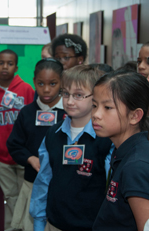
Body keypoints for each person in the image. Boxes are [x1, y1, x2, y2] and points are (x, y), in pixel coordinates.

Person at [30, 65, 113, 231]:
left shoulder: (106, 138)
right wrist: (39, 221)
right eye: (65, 93)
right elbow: (44, 179)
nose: (69, 101)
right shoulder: (53, 134)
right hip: (55, 223)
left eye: (79, 95)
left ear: (95, 97)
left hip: (92, 225)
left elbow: (111, 187)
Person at [6, 58, 66, 231]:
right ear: (34, 82)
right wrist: (30, 158)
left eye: (53, 83)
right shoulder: (27, 113)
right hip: (32, 183)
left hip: (60, 186)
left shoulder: (69, 113)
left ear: (62, 82)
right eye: (41, 83)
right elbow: (14, 145)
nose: (46, 89)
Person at [0, 49, 35, 231]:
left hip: (25, 156)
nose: (5, 67)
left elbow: (34, 123)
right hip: (1, 158)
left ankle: (27, 228)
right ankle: (13, 228)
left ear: (16, 67)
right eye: (2, 63)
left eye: (10, 63)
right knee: (10, 197)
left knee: (26, 195)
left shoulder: (26, 89)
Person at [92, 70, 149, 231]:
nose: (96, 114)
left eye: (108, 107)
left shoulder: (136, 166)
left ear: (135, 116)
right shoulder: (124, 151)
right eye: (94, 105)